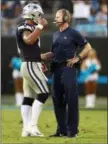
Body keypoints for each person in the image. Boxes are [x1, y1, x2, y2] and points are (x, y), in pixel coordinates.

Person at [43, 9, 92, 138]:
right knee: (57, 100)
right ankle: (62, 130)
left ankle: (72, 131)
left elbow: (88, 47)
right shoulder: (55, 34)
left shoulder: (74, 33)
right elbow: (52, 53)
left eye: (58, 16)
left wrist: (78, 58)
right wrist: (41, 58)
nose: (56, 18)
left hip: (68, 68)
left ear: (66, 17)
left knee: (71, 99)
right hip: (56, 70)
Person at [16, 3, 52, 137]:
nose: (41, 17)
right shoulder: (26, 26)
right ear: (33, 14)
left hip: (31, 63)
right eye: (39, 14)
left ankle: (26, 129)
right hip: (30, 65)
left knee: (28, 97)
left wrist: (43, 57)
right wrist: (40, 26)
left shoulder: (31, 27)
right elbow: (28, 40)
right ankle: (33, 126)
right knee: (43, 93)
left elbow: (30, 49)